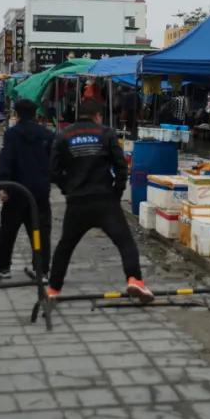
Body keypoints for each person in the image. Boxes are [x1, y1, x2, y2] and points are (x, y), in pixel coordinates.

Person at [47, 99, 153, 302]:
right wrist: (117, 192)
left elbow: (53, 171)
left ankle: (53, 289)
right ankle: (135, 280)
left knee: (65, 247)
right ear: (97, 116)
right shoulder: (106, 133)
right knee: (125, 243)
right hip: (105, 200)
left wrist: (67, 188)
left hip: (77, 202)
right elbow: (121, 167)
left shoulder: (63, 135)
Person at [0, 99, 54, 278]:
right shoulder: (47, 135)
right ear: (35, 114)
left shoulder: (12, 134)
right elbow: (54, 162)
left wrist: (3, 185)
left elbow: (6, 159)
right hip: (40, 191)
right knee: (40, 231)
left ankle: (2, 267)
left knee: (8, 230)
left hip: (16, 190)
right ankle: (41, 270)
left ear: (17, 114)